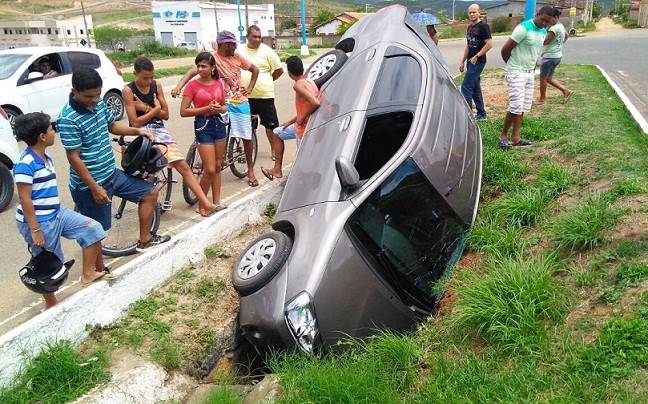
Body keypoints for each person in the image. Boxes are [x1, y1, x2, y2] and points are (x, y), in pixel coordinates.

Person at [58, 67, 171, 252]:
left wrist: (137, 131)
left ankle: (145, 239)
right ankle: (96, 271)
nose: (94, 100)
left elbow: (111, 125)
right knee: (96, 232)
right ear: (74, 92)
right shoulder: (68, 119)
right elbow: (74, 158)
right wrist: (95, 188)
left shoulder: (98, 104)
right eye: (88, 97)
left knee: (149, 193)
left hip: (111, 174)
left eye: (98, 95)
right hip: (90, 184)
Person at [13, 112, 112, 307]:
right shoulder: (25, 164)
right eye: (51, 129)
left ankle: (89, 273)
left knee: (92, 228)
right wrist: (35, 230)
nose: (54, 131)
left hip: (57, 213)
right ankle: (51, 304)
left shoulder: (45, 157)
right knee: (49, 262)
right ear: (42, 136)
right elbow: (25, 199)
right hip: (40, 221)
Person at [123, 57, 218, 217]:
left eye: (151, 77)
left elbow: (165, 115)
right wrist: (154, 109)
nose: (149, 81)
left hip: (157, 128)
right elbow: (135, 122)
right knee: (136, 168)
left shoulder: (156, 85)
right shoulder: (128, 90)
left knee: (183, 166)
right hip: (138, 132)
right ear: (135, 74)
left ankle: (206, 203)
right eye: (145, 78)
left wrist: (145, 108)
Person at [172, 31, 260, 187]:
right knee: (210, 131)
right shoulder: (211, 59)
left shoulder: (237, 57)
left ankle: (250, 170)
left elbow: (255, 69)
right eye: (233, 44)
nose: (235, 46)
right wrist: (179, 87)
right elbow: (191, 73)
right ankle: (202, 161)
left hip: (239, 101)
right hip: (219, 102)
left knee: (246, 136)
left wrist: (250, 88)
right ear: (224, 45)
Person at [179, 52, 229, 212]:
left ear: (213, 68)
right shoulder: (192, 86)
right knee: (209, 169)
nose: (200, 69)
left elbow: (224, 105)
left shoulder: (218, 83)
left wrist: (219, 109)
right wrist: (206, 109)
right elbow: (184, 111)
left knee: (218, 165)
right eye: (198, 66)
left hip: (219, 124)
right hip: (203, 125)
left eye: (204, 66)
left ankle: (216, 202)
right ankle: (203, 204)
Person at [498, 6, 553, 150]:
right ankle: (503, 135)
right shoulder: (523, 28)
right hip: (516, 72)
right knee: (515, 105)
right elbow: (505, 50)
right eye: (542, 20)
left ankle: (515, 137)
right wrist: (511, 64)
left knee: (523, 105)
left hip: (530, 73)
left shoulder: (542, 31)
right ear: (537, 14)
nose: (544, 23)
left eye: (547, 22)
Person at [260, 56, 320, 181]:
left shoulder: (298, 86)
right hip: (305, 123)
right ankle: (277, 170)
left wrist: (302, 118)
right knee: (277, 132)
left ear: (290, 73)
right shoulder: (310, 82)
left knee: (302, 161)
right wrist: (290, 121)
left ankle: (303, 184)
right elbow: (307, 106)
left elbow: (315, 103)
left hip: (304, 127)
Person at [238, 25, 284, 162]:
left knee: (271, 126)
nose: (257, 39)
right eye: (254, 36)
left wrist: (268, 80)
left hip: (265, 96)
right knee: (245, 125)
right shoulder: (239, 50)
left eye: (259, 37)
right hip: (245, 96)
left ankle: (274, 150)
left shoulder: (267, 51)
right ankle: (246, 151)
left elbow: (279, 70)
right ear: (247, 37)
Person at [460, 4, 493, 121]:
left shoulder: (483, 26)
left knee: (465, 87)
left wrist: (477, 56)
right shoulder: (469, 27)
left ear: (479, 13)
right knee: (474, 87)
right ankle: (481, 114)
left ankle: (467, 117)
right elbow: (468, 46)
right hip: (470, 61)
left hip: (478, 61)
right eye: (470, 12)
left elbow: (489, 44)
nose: (472, 14)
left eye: (474, 12)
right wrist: (462, 61)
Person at [535, 8, 574, 105]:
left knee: (543, 78)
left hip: (549, 56)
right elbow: (567, 35)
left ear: (555, 17)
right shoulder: (561, 26)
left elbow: (544, 42)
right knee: (549, 78)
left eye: (550, 19)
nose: (548, 21)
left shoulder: (553, 29)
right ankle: (566, 91)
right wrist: (559, 44)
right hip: (557, 56)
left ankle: (542, 99)